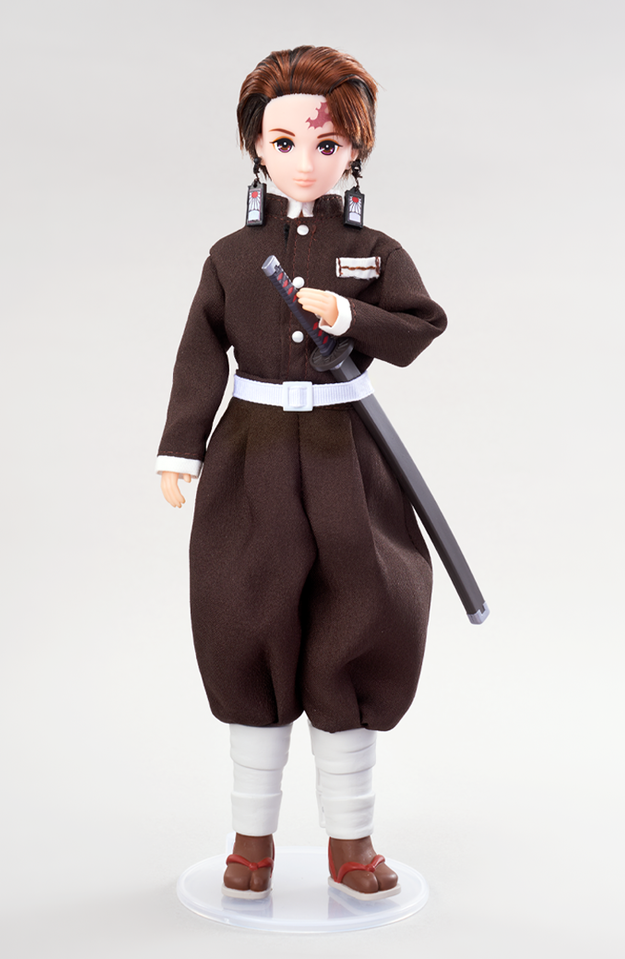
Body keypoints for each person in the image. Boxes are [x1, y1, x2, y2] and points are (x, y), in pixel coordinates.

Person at [157, 45, 447, 901]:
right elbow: (199, 352)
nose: (306, 161)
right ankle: (251, 840)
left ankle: (350, 841)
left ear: (355, 149)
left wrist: (350, 313)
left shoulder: (374, 249)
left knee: (365, 607)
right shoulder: (231, 256)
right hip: (251, 457)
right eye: (284, 143)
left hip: (347, 455)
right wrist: (181, 446)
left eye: (327, 144)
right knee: (244, 613)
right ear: (257, 146)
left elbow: (419, 325)